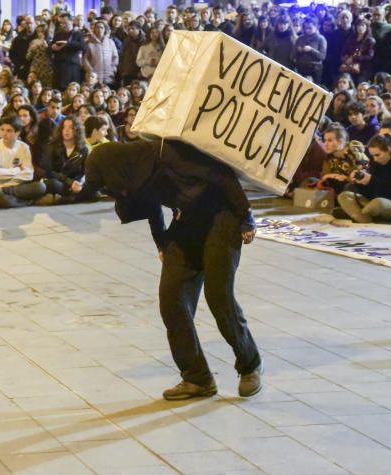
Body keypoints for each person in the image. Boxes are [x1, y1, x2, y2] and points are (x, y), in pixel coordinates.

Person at [84, 139, 262, 400]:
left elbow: (219, 174)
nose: (108, 190)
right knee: (172, 298)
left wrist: (245, 216)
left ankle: (250, 365)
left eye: (105, 183)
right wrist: (163, 242)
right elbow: (151, 204)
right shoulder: (136, 171)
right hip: (187, 221)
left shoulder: (166, 152)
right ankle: (197, 378)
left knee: (219, 296)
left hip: (222, 216)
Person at [337, 134, 391, 224]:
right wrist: (361, 183)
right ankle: (365, 221)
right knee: (344, 196)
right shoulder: (376, 164)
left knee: (377, 203)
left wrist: (372, 181)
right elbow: (372, 193)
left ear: (388, 150)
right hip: (376, 201)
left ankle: (361, 216)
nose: (375, 159)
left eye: (377, 155)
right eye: (373, 156)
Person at [0, 115, 46, 208]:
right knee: (5, 201)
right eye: (2, 129)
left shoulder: (24, 147)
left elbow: (28, 174)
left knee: (41, 187)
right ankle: (29, 201)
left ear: (17, 133)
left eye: (9, 131)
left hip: (16, 187)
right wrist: (17, 170)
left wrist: (6, 180)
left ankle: (10, 194)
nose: (4, 133)